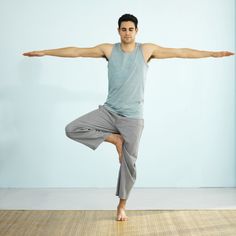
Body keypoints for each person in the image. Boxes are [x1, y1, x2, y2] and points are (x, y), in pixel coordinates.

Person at [22, 13, 234, 221]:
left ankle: (121, 206)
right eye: (123, 29)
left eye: (131, 29)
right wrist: (45, 51)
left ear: (136, 31)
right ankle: (115, 139)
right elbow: (77, 51)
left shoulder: (146, 50)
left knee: (129, 165)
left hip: (133, 118)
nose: (127, 33)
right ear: (118, 31)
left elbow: (180, 52)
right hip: (109, 112)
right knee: (72, 128)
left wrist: (212, 53)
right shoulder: (109, 50)